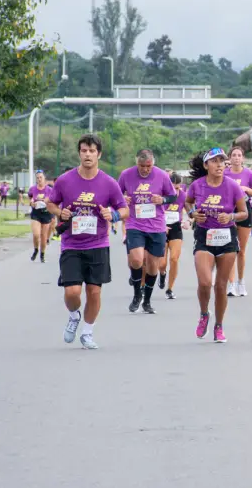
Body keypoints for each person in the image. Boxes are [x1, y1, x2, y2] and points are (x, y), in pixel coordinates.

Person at [47, 134, 128, 350]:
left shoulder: (109, 183)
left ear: (99, 154)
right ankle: (74, 315)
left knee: (94, 291)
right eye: (84, 151)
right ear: (79, 153)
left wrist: (113, 215)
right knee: (72, 292)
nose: (88, 155)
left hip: (98, 244)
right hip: (71, 244)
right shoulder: (65, 180)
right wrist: (60, 212)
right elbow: (50, 203)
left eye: (92, 151)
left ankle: (87, 332)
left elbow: (124, 209)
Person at [186, 148, 249, 343]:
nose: (219, 164)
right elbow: (187, 203)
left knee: (221, 286)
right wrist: (192, 214)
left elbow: (244, 213)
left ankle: (219, 326)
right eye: (214, 161)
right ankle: (204, 314)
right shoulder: (197, 185)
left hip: (226, 237)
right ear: (206, 165)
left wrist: (231, 217)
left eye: (222, 161)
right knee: (205, 283)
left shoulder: (232, 186)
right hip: (204, 236)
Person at [118, 149, 176, 315]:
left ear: (153, 163)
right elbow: (115, 194)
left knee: (152, 267)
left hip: (156, 226)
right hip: (134, 224)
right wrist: (123, 199)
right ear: (136, 162)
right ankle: (137, 294)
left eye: (148, 166)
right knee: (136, 260)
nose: (145, 169)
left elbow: (172, 196)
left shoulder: (162, 176)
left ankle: (147, 301)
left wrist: (162, 199)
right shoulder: (126, 175)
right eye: (141, 165)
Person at [224, 146, 252, 297]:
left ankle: (241, 282)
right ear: (229, 158)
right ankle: (231, 284)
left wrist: (245, 189)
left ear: (243, 158)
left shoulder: (249, 174)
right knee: (230, 250)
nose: (236, 158)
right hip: (228, 211)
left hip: (244, 211)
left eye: (239, 155)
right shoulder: (225, 173)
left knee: (241, 250)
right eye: (234, 155)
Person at [159, 172, 186, 300]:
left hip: (176, 228)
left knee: (174, 259)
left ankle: (169, 289)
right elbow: (155, 212)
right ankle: (162, 273)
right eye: (172, 188)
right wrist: (162, 225)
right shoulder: (161, 195)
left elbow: (190, 208)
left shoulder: (183, 195)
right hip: (161, 228)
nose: (175, 191)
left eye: (177, 188)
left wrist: (188, 220)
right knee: (162, 263)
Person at [28, 170, 53, 263]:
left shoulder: (49, 190)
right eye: (37, 178)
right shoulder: (32, 189)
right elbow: (30, 198)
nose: (39, 179)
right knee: (36, 234)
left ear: (44, 178)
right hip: (36, 213)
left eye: (41, 177)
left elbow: (52, 200)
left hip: (46, 213)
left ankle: (42, 254)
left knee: (43, 236)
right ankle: (36, 250)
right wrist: (32, 203)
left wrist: (46, 201)